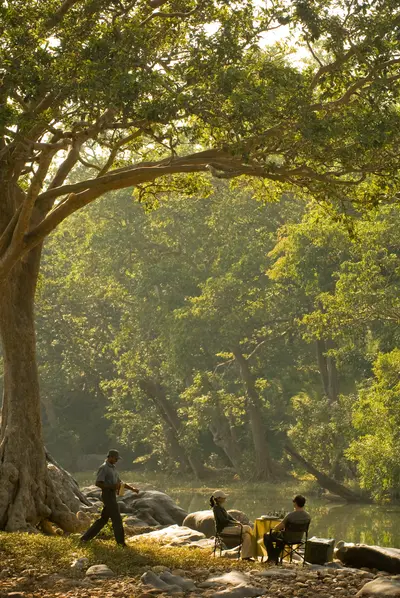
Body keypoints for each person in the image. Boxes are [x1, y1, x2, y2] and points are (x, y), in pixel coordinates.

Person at [80, 449, 139, 547]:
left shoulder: (113, 468)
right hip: (107, 495)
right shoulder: (104, 468)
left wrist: (132, 489)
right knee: (117, 519)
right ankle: (121, 543)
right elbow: (98, 483)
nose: (117, 460)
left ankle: (85, 538)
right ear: (110, 457)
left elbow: (120, 483)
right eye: (115, 458)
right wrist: (111, 486)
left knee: (103, 519)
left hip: (112, 495)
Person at [264, 494, 311, 564]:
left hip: (287, 538)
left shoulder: (290, 515)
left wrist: (273, 529)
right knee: (279, 539)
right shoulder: (307, 516)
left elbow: (279, 527)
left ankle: (272, 558)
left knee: (267, 536)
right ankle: (274, 559)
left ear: (295, 503)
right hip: (299, 538)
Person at [211, 490, 255, 561]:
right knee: (247, 528)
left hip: (228, 528)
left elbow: (230, 518)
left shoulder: (221, 507)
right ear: (218, 498)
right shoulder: (216, 508)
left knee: (247, 536)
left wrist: (236, 522)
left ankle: (245, 557)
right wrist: (235, 524)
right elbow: (224, 521)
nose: (225, 498)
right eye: (223, 497)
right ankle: (256, 544)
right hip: (223, 530)